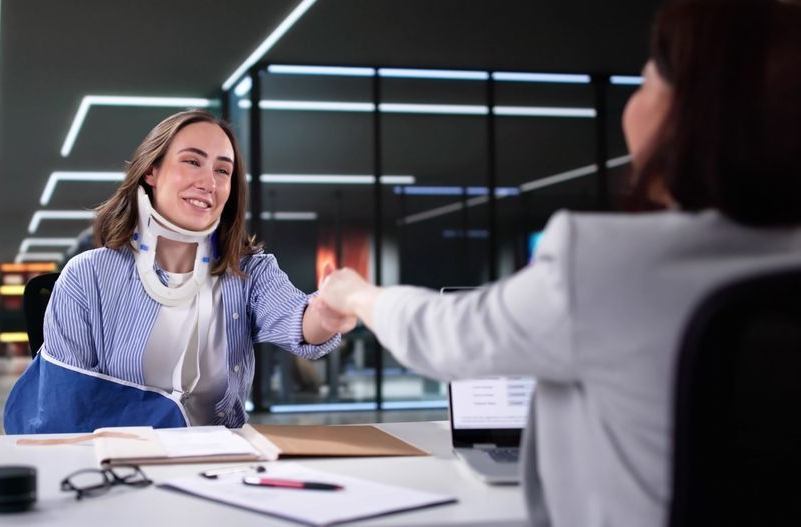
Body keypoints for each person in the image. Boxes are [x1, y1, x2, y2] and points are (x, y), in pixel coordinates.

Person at [317, 1, 801, 526]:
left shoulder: (604, 262)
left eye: (641, 84)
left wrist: (356, 294)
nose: (630, 106)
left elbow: (447, 336)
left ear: (687, 112)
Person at [4, 110, 354, 434]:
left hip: (222, 465)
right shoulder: (87, 277)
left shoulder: (248, 271)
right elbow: (65, 410)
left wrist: (327, 314)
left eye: (222, 170)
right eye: (192, 162)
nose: (209, 182)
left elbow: (299, 322)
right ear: (151, 171)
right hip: (120, 467)